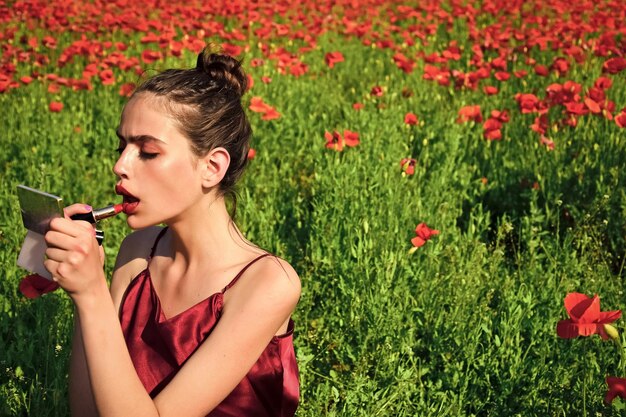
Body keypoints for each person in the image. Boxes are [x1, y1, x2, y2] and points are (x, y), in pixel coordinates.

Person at [42, 47, 301, 417]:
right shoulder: (137, 252)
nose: (120, 166)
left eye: (147, 152)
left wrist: (92, 293)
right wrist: (85, 292)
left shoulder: (268, 283)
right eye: (122, 146)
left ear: (211, 167)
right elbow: (85, 410)